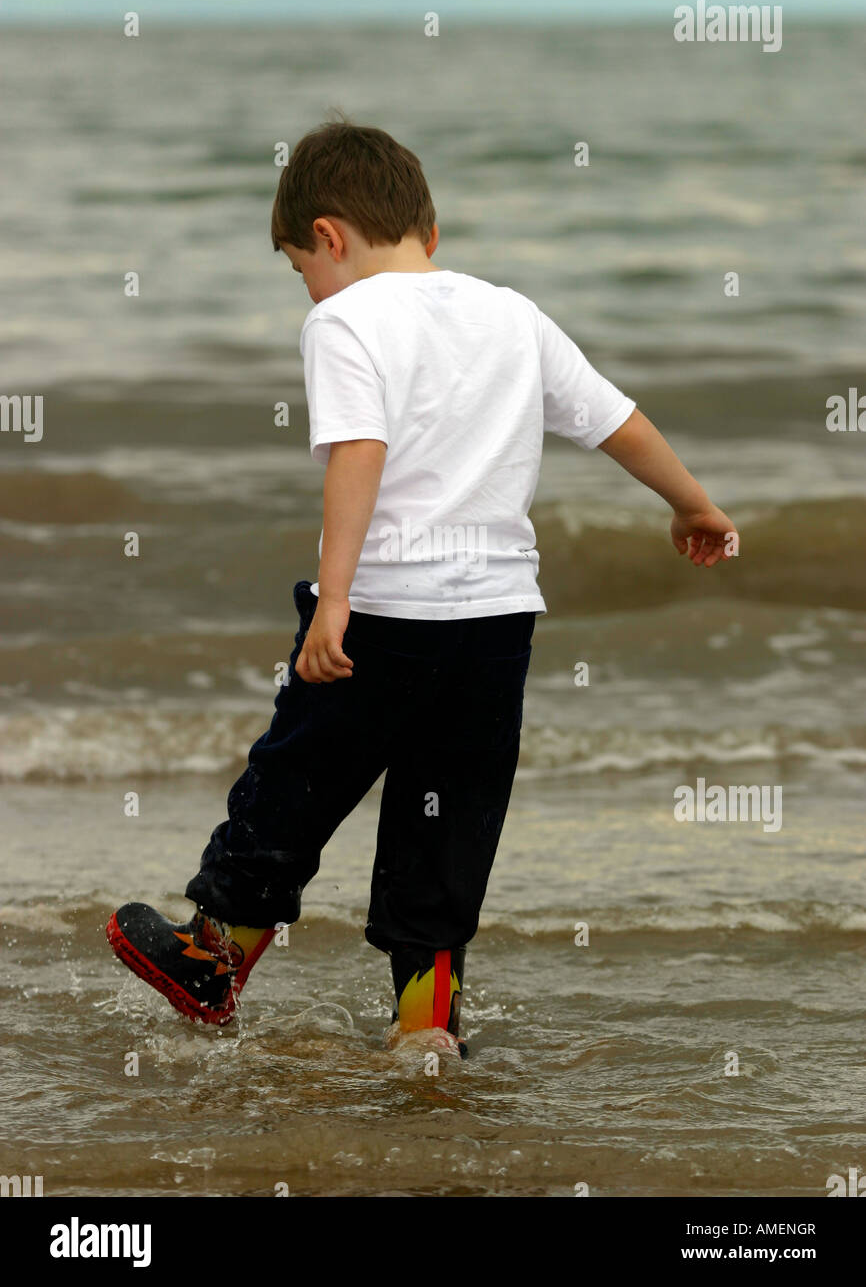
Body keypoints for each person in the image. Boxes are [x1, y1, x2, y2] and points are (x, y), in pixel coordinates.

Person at [107, 119, 737, 1056]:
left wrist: (331, 603)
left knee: (295, 785)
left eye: (299, 269)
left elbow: (359, 457)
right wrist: (695, 505)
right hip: (495, 626)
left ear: (328, 236)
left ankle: (214, 959)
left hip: (384, 617)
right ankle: (424, 1029)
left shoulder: (344, 319)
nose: (308, 291)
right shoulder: (512, 314)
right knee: (448, 818)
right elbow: (616, 420)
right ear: (429, 235)